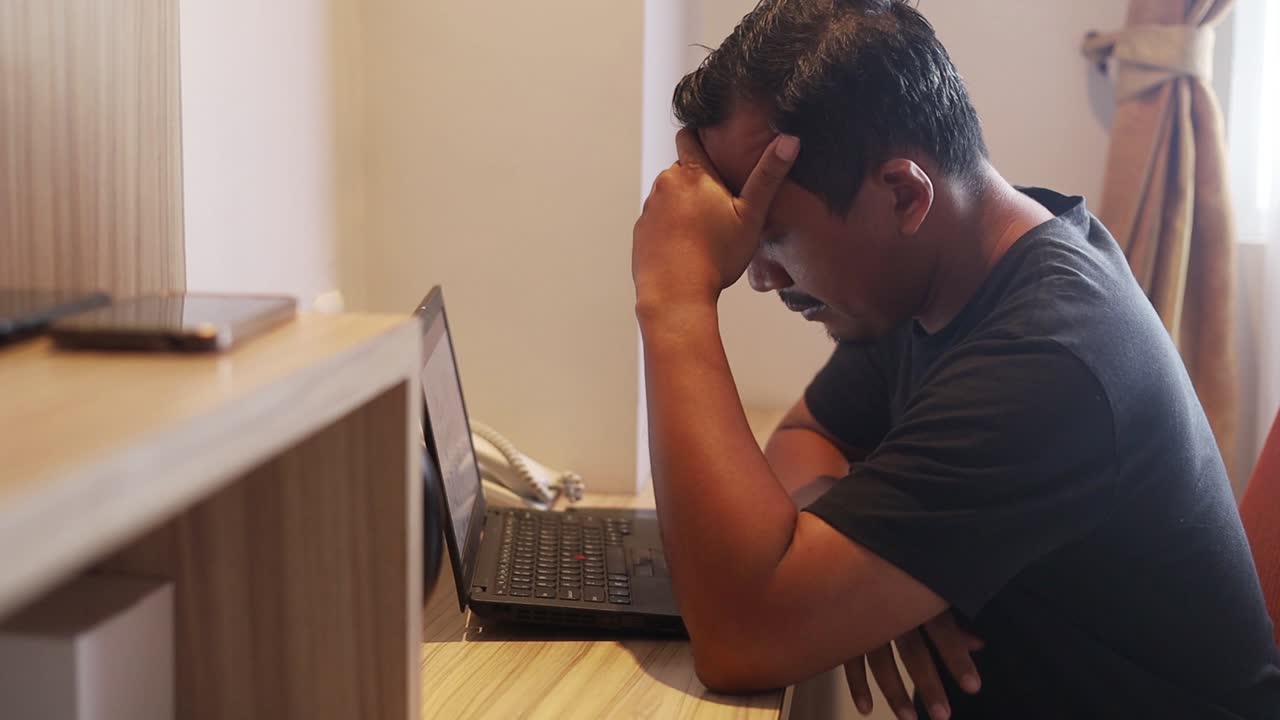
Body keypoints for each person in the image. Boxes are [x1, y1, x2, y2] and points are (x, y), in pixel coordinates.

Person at [630, 1, 1280, 718]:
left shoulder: (1051, 355)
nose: (760, 276)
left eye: (774, 236)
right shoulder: (951, 272)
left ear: (905, 192)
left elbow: (739, 637)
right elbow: (806, 438)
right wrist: (861, 568)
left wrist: (676, 299)